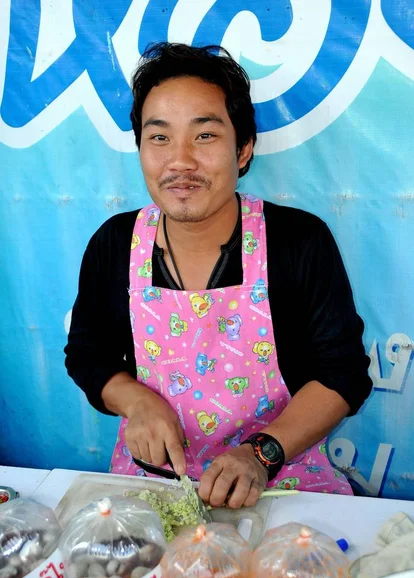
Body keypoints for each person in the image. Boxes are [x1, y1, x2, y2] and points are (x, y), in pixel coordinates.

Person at [65, 42, 372, 509]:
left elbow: (343, 375)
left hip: (282, 483)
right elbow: (88, 353)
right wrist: (136, 401)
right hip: (154, 487)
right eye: (160, 137)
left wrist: (261, 454)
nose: (180, 161)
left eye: (204, 136)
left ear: (243, 148)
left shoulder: (298, 241)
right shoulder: (114, 244)